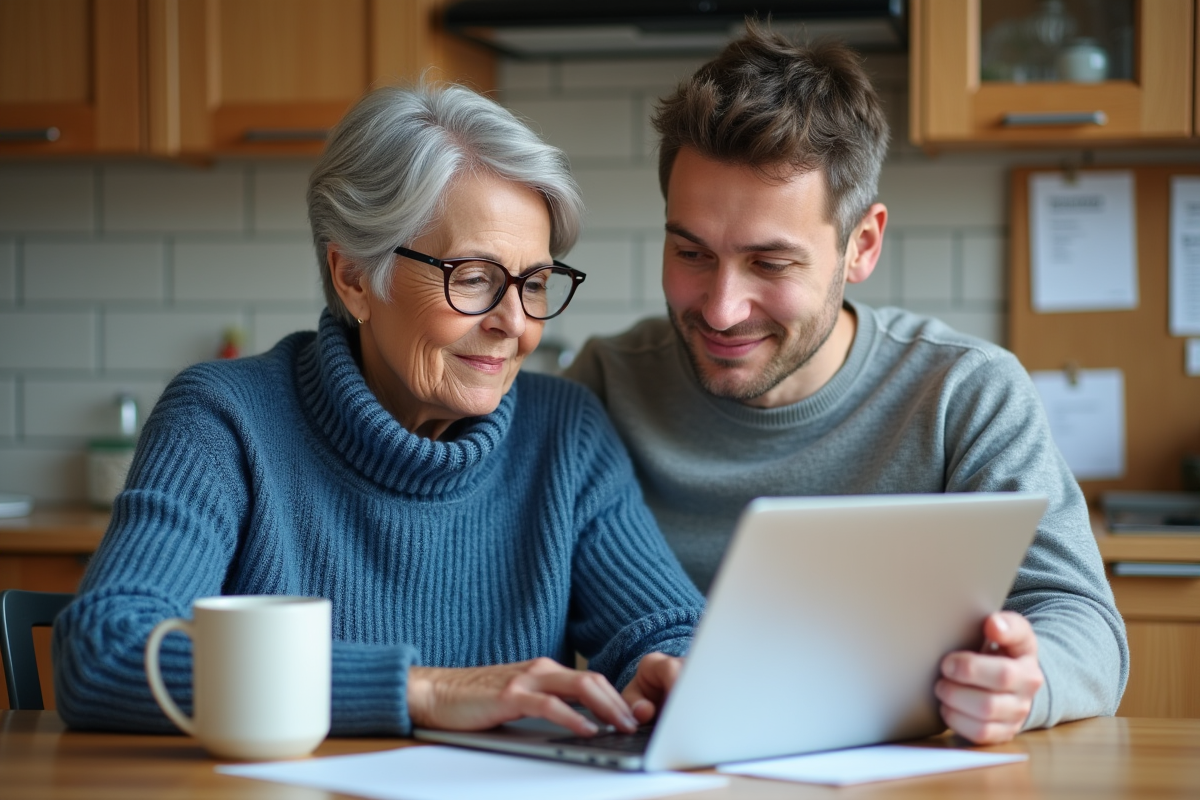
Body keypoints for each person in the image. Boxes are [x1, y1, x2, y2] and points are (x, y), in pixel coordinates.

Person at [53, 84, 704, 738]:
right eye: (474, 278)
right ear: (355, 277)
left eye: (533, 284)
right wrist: (421, 690)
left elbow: (663, 626)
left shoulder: (565, 433)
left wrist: (675, 668)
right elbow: (103, 652)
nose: (515, 325)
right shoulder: (223, 421)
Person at [564, 24, 1127, 746]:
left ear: (862, 245)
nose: (721, 307)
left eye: (770, 264)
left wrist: (1028, 680)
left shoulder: (965, 394)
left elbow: (1086, 626)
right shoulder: (606, 383)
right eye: (691, 252)